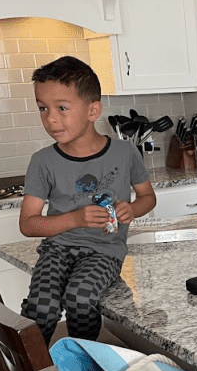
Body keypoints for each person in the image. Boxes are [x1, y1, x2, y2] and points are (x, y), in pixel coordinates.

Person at [19, 55, 156, 345]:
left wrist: (132, 209)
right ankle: (28, 366)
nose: (50, 118)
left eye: (62, 108)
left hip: (105, 251)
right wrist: (74, 219)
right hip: (56, 250)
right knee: (41, 308)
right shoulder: (42, 162)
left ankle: (85, 357)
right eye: (43, 108)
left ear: (93, 110)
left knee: (80, 298)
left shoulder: (125, 153)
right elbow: (28, 224)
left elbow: (147, 197)